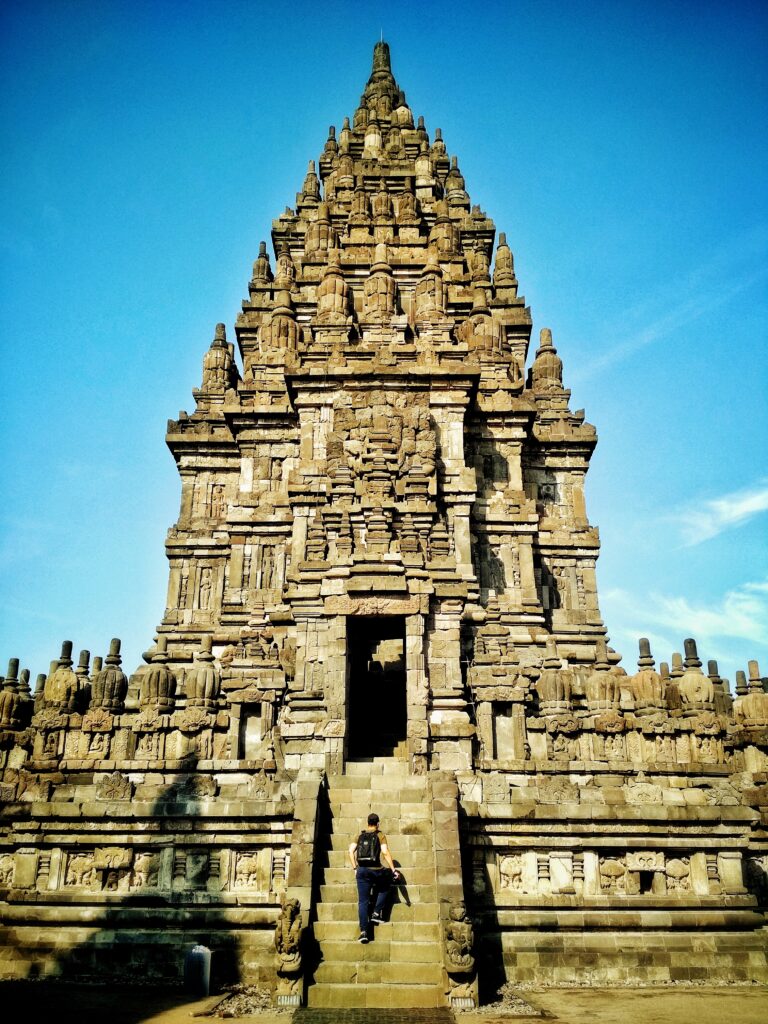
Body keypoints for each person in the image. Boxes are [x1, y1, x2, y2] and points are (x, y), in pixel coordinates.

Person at [348, 812, 400, 943]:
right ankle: (376, 912)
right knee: (386, 884)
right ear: (377, 824)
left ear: (367, 823)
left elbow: (350, 851)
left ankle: (364, 932)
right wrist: (393, 870)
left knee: (363, 902)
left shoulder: (359, 835)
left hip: (361, 871)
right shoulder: (380, 835)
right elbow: (384, 852)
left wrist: (355, 868)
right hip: (376, 870)